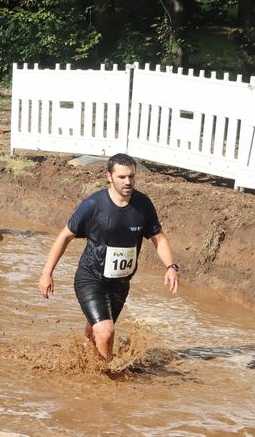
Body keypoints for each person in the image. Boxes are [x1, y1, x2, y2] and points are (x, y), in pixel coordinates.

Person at [38, 153, 179, 361]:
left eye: (131, 176)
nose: (128, 182)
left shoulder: (143, 205)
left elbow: (159, 238)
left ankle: (87, 363)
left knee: (96, 331)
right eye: (122, 177)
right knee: (106, 331)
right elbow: (65, 236)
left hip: (121, 282)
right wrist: (47, 273)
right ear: (109, 176)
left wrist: (170, 266)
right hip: (91, 277)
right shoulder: (93, 205)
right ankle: (106, 377)